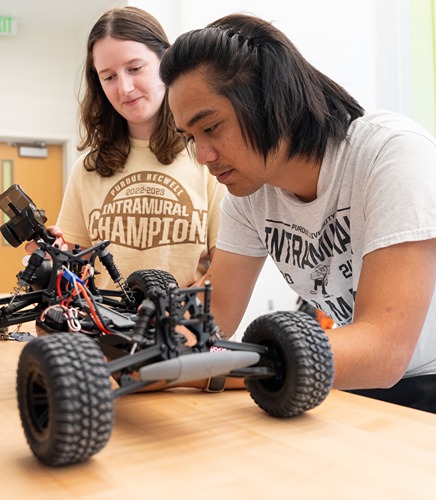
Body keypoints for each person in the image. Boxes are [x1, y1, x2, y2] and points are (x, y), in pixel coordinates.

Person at [159, 13, 436, 411]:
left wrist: (213, 365)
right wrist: (139, 352)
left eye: (212, 127)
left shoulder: (391, 154)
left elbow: (383, 349)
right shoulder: (248, 194)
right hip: (361, 385)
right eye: (191, 138)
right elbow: (212, 318)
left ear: (271, 100)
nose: (203, 156)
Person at [50, 7, 225, 291]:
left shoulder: (208, 157)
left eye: (134, 68)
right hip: (105, 331)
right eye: (109, 77)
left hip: (184, 330)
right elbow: (70, 268)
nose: (125, 88)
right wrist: (49, 256)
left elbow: (224, 273)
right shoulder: (87, 169)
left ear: (165, 63)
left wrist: (175, 324)